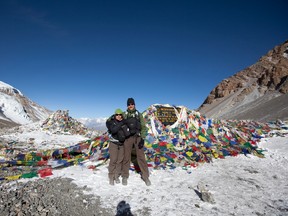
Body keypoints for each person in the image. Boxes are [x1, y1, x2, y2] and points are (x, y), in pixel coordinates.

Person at [122, 98, 151, 186]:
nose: (130, 105)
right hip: (127, 138)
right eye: (129, 104)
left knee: (141, 156)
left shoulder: (139, 114)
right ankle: (125, 176)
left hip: (137, 137)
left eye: (132, 104)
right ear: (127, 105)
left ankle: (145, 176)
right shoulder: (124, 114)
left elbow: (143, 127)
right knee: (126, 156)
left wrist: (142, 138)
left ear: (134, 105)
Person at [106, 108, 130, 185]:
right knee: (113, 160)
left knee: (119, 161)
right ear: (115, 115)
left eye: (120, 115)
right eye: (117, 115)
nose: (119, 116)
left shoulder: (124, 122)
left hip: (121, 144)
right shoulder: (112, 122)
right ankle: (111, 177)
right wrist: (121, 124)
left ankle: (116, 176)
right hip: (113, 143)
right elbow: (113, 130)